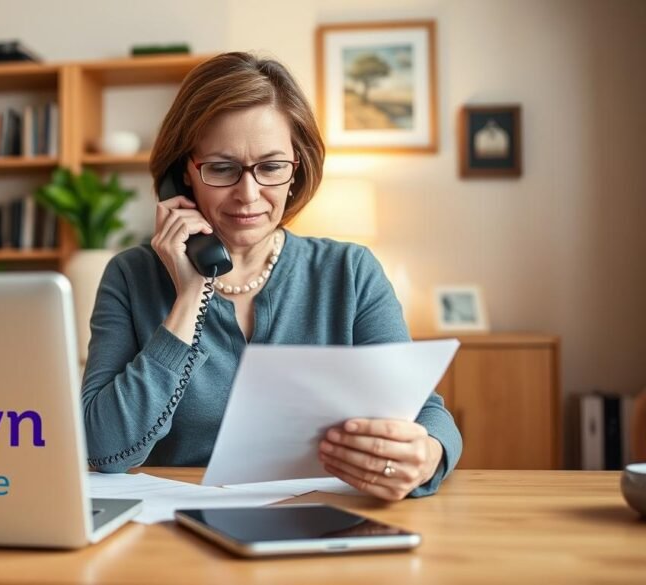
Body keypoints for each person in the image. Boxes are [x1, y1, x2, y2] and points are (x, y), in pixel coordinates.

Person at [80, 52, 461, 501]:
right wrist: (188, 299)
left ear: (296, 168)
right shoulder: (129, 276)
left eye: (271, 167)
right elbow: (102, 447)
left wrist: (426, 454)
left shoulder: (350, 273)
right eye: (221, 168)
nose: (248, 194)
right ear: (184, 173)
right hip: (174, 533)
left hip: (321, 518)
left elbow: (423, 412)